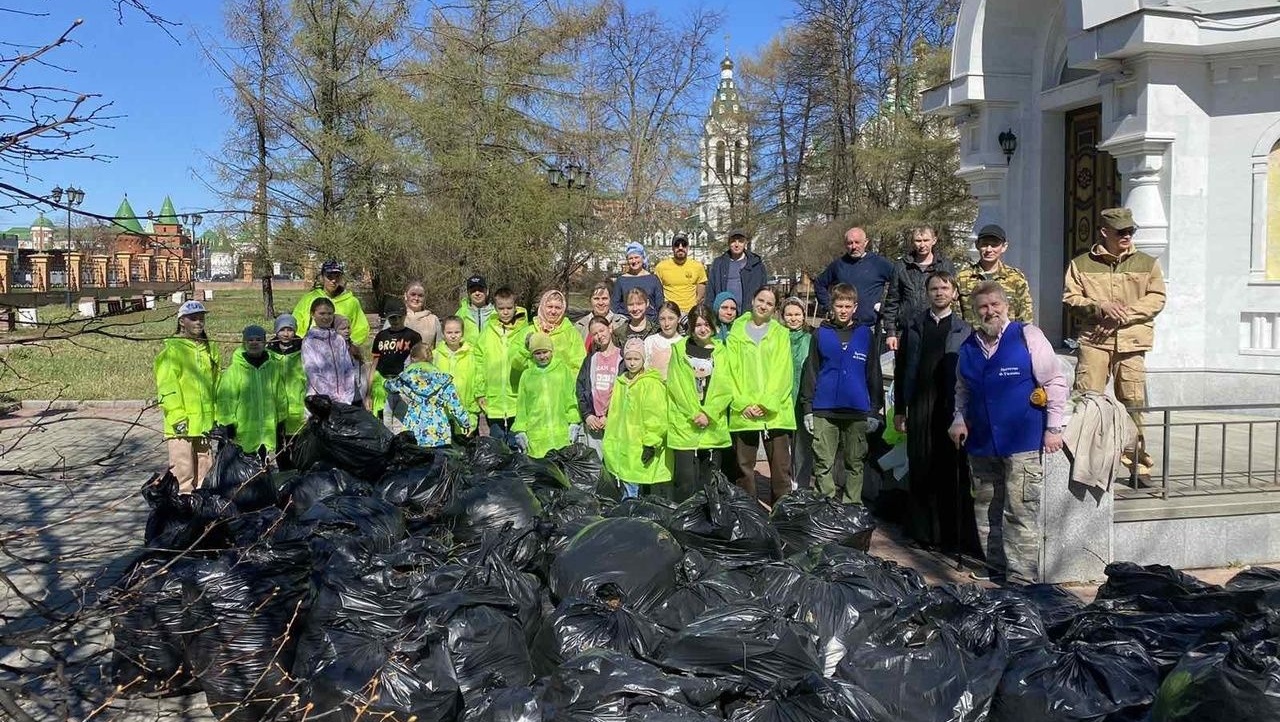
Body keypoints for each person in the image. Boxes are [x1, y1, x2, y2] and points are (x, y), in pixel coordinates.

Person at [949, 281, 1067, 584]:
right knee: (986, 508)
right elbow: (962, 391)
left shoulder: (1028, 336)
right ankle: (996, 568)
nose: (990, 311)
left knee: (1020, 510)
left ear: (1006, 306)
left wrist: (1054, 428)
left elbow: (1054, 382)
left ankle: (1022, 579)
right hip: (982, 442)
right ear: (975, 312)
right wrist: (958, 419)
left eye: (995, 305)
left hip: (1022, 441)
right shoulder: (968, 347)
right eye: (983, 307)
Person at [1063, 207, 1167, 486]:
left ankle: (1138, 465)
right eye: (1121, 231)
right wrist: (1100, 308)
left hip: (1131, 342)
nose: (1127, 235)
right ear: (1104, 232)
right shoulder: (1081, 264)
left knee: (1134, 404)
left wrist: (1122, 315)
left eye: (1131, 230)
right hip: (1095, 342)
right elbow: (1071, 298)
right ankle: (1084, 463)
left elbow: (1157, 298)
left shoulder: (1147, 263)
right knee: (1087, 402)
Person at [894, 271, 974, 550]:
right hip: (919, 404)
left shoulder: (964, 330)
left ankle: (949, 535)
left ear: (954, 293)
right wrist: (900, 409)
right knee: (920, 466)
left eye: (944, 288)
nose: (939, 293)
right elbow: (901, 367)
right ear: (927, 293)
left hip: (950, 407)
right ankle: (922, 533)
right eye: (934, 289)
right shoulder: (914, 325)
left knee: (949, 468)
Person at [798, 283, 883, 504]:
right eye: (839, 306)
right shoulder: (821, 334)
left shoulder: (865, 335)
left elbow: (873, 373)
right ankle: (825, 508)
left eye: (847, 306)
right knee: (822, 463)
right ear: (832, 307)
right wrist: (808, 408)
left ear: (855, 307)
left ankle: (851, 506)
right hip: (824, 410)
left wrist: (874, 410)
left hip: (857, 410)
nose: (843, 310)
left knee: (855, 463)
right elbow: (811, 372)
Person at [723, 286, 796, 507]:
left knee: (781, 468)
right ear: (753, 300)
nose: (763, 306)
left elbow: (783, 372)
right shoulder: (735, 332)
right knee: (744, 468)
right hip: (744, 411)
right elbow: (730, 371)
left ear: (774, 309)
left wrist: (766, 403)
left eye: (769, 303)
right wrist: (742, 403)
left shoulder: (780, 334)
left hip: (776, 411)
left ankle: (782, 514)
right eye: (761, 300)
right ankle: (750, 513)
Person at [666, 305, 732, 502]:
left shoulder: (722, 352)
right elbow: (676, 386)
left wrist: (708, 413)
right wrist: (694, 413)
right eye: (698, 325)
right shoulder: (679, 350)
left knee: (710, 480)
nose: (703, 329)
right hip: (685, 424)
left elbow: (726, 387)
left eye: (706, 324)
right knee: (685, 480)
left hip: (712, 425)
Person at [155, 300, 219, 492]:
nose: (199, 322)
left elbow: (216, 383)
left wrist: (217, 414)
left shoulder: (209, 349)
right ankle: (183, 506)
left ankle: (202, 505)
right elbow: (167, 388)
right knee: (183, 473)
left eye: (201, 318)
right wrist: (177, 417)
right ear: (182, 321)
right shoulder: (172, 351)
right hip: (181, 424)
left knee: (206, 472)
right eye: (193, 318)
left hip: (204, 423)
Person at [604, 338, 674, 499]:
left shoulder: (651, 384)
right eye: (628, 358)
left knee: (640, 490)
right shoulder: (621, 382)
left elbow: (657, 416)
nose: (632, 363)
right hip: (623, 447)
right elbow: (615, 415)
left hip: (641, 446)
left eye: (636, 359)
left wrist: (651, 442)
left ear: (643, 359)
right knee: (628, 487)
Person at [215, 325, 287, 457]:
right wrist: (227, 423)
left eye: (258, 340)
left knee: (263, 466)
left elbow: (280, 397)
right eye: (250, 340)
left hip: (265, 434)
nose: (254, 343)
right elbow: (225, 400)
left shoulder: (272, 369)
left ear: (265, 343)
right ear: (244, 343)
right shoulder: (234, 371)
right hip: (242, 435)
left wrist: (281, 420)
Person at [385, 342, 473, 448]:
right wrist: (465, 423)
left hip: (414, 426)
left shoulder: (406, 378)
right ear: (431, 359)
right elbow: (455, 405)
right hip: (439, 429)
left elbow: (389, 386)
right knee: (439, 457)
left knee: (414, 455)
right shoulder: (443, 380)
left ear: (413, 358)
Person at [883, 226, 956, 351]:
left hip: (938, 330)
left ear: (934, 240)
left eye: (926, 240)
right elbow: (892, 301)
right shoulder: (901, 267)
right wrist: (891, 332)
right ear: (912, 242)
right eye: (918, 241)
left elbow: (953, 299)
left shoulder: (945, 265)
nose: (922, 245)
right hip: (906, 331)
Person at [477, 287, 529, 447]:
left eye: (509, 308)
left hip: (517, 398)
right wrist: (480, 391)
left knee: (517, 443)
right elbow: (478, 362)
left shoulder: (525, 331)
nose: (505, 312)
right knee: (497, 443)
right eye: (501, 308)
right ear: (495, 308)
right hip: (494, 400)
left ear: (515, 307)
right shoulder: (487, 333)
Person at [513, 331, 578, 458]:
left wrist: (574, 421)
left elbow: (570, 398)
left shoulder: (562, 370)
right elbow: (522, 407)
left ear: (551, 351)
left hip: (561, 436)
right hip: (536, 439)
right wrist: (520, 429)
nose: (542, 357)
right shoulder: (527, 376)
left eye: (545, 352)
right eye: (537, 353)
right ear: (532, 354)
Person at [814, 226, 895, 327]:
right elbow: (819, 283)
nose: (853, 247)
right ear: (845, 244)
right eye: (850, 243)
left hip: (870, 325)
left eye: (857, 242)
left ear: (866, 242)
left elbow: (899, 284)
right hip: (843, 326)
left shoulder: (880, 264)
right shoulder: (838, 265)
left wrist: (886, 305)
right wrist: (829, 306)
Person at [956, 224, 1034, 326]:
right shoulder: (963, 278)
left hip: (1006, 335)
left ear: (1004, 247)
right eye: (984, 244)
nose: (989, 250)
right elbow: (956, 316)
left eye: (994, 245)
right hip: (972, 335)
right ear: (977, 245)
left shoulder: (1016, 278)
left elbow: (1025, 318)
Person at [576, 315, 624, 463]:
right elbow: (581, 387)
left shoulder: (623, 357)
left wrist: (609, 415)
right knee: (596, 465)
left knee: (615, 464)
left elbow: (625, 392)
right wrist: (587, 415)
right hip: (594, 422)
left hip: (615, 421)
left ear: (610, 328)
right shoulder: (591, 359)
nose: (599, 336)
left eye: (602, 330)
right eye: (595, 334)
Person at [369, 299, 423, 428]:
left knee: (402, 423)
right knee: (383, 422)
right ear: (387, 318)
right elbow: (374, 363)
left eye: (400, 317)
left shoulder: (414, 336)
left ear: (405, 315)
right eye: (393, 318)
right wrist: (368, 393)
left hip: (404, 385)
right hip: (382, 384)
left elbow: (419, 365)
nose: (397, 320)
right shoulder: (381, 336)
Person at [292, 260, 370, 344]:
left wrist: (351, 344)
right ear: (322, 277)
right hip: (312, 347)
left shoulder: (352, 302)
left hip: (341, 348)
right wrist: (302, 342)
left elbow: (361, 328)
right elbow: (296, 322)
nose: (333, 280)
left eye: (337, 276)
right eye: (329, 277)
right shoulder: (309, 298)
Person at [435, 315, 486, 440]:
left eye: (457, 332)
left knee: (466, 447)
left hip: (466, 412)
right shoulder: (435, 355)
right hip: (442, 415)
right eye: (449, 332)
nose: (453, 336)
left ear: (462, 333)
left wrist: (472, 414)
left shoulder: (472, 354)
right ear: (443, 333)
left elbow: (478, 381)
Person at [301, 298, 358, 405]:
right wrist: (331, 398)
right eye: (322, 313)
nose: (326, 317)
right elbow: (313, 373)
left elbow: (348, 369)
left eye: (330, 313)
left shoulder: (339, 339)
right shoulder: (309, 341)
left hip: (344, 401)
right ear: (313, 314)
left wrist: (347, 398)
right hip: (321, 402)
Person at [781, 297, 813, 489]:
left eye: (797, 314)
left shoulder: (811, 339)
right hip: (782, 399)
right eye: (789, 315)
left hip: (803, 397)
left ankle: (801, 486)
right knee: (783, 449)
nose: (793, 318)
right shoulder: (778, 338)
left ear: (803, 316)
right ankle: (784, 484)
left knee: (802, 446)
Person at [521, 288, 586, 375]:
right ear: (543, 306)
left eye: (557, 308)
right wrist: (527, 349)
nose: (553, 311)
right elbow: (516, 362)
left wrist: (568, 380)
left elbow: (579, 364)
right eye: (549, 307)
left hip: (562, 382)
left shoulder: (571, 333)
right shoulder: (528, 331)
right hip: (534, 382)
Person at [706, 229, 766, 311]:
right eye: (733, 241)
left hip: (749, 313)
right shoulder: (719, 264)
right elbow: (710, 292)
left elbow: (764, 291)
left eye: (740, 241)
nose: (737, 245)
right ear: (728, 243)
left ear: (745, 243)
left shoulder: (756, 264)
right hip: (725, 313)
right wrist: (710, 313)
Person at [268, 314, 306, 438]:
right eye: (282, 330)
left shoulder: (303, 350)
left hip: (298, 407)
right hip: (275, 408)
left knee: (297, 442)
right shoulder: (268, 352)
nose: (286, 334)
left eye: (289, 330)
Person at [652, 235, 708, 314]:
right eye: (677, 245)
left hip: (690, 312)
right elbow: (656, 290)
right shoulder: (661, 267)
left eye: (684, 244)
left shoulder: (697, 266)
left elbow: (701, 287)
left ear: (688, 247)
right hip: (670, 312)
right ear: (672, 248)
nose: (680, 247)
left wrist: (696, 302)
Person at [611, 243, 664, 320]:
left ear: (643, 258)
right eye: (630, 258)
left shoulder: (653, 279)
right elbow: (615, 305)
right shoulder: (621, 280)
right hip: (627, 321)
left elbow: (660, 304)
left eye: (636, 257)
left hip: (650, 321)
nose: (634, 261)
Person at [644, 301, 683, 380]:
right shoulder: (650, 341)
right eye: (662, 319)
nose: (666, 324)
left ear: (678, 319)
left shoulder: (683, 343)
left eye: (671, 318)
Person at [334, 315, 367, 406]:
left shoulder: (354, 349)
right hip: (340, 398)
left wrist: (365, 395)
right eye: (343, 329)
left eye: (348, 328)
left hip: (357, 395)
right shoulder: (331, 351)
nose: (347, 331)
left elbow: (362, 373)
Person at [457, 274, 494, 345]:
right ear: (468, 293)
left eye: (480, 290)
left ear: (487, 292)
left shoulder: (496, 314)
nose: (477, 293)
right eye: (473, 291)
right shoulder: (460, 314)